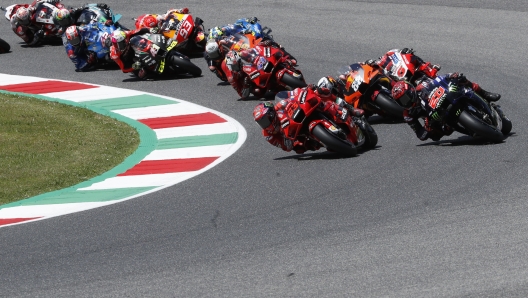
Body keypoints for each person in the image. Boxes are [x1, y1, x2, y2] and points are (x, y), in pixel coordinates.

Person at [253, 82, 364, 154]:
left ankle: (350, 109)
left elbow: (292, 95)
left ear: (272, 115)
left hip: (304, 114)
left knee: (320, 92)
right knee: (300, 148)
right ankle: (325, 141)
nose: (265, 124)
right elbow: (286, 147)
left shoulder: (279, 107)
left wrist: (305, 90)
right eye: (261, 122)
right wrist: (290, 141)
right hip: (299, 135)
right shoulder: (268, 135)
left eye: (265, 120)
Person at [392, 72, 501, 141]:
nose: (405, 103)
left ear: (411, 91)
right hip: (435, 117)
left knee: (461, 79)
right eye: (401, 102)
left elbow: (438, 80)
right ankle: (465, 127)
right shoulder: (408, 114)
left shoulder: (422, 86)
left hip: (445, 97)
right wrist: (428, 128)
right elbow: (420, 135)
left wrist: (451, 77)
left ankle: (485, 94)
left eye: (405, 98)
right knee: (436, 136)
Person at [220, 42, 298, 99]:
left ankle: (288, 60)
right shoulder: (232, 78)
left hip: (258, 68)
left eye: (237, 63)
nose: (237, 67)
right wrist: (246, 84)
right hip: (251, 81)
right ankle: (277, 90)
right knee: (257, 91)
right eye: (234, 66)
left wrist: (262, 44)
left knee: (273, 49)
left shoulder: (243, 54)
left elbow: (256, 49)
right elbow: (242, 95)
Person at [364, 48, 441, 85]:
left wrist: (404, 51)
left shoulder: (390, 53)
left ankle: (430, 69)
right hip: (396, 81)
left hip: (405, 71)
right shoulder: (379, 63)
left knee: (412, 57)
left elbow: (398, 51)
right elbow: (371, 66)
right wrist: (369, 63)